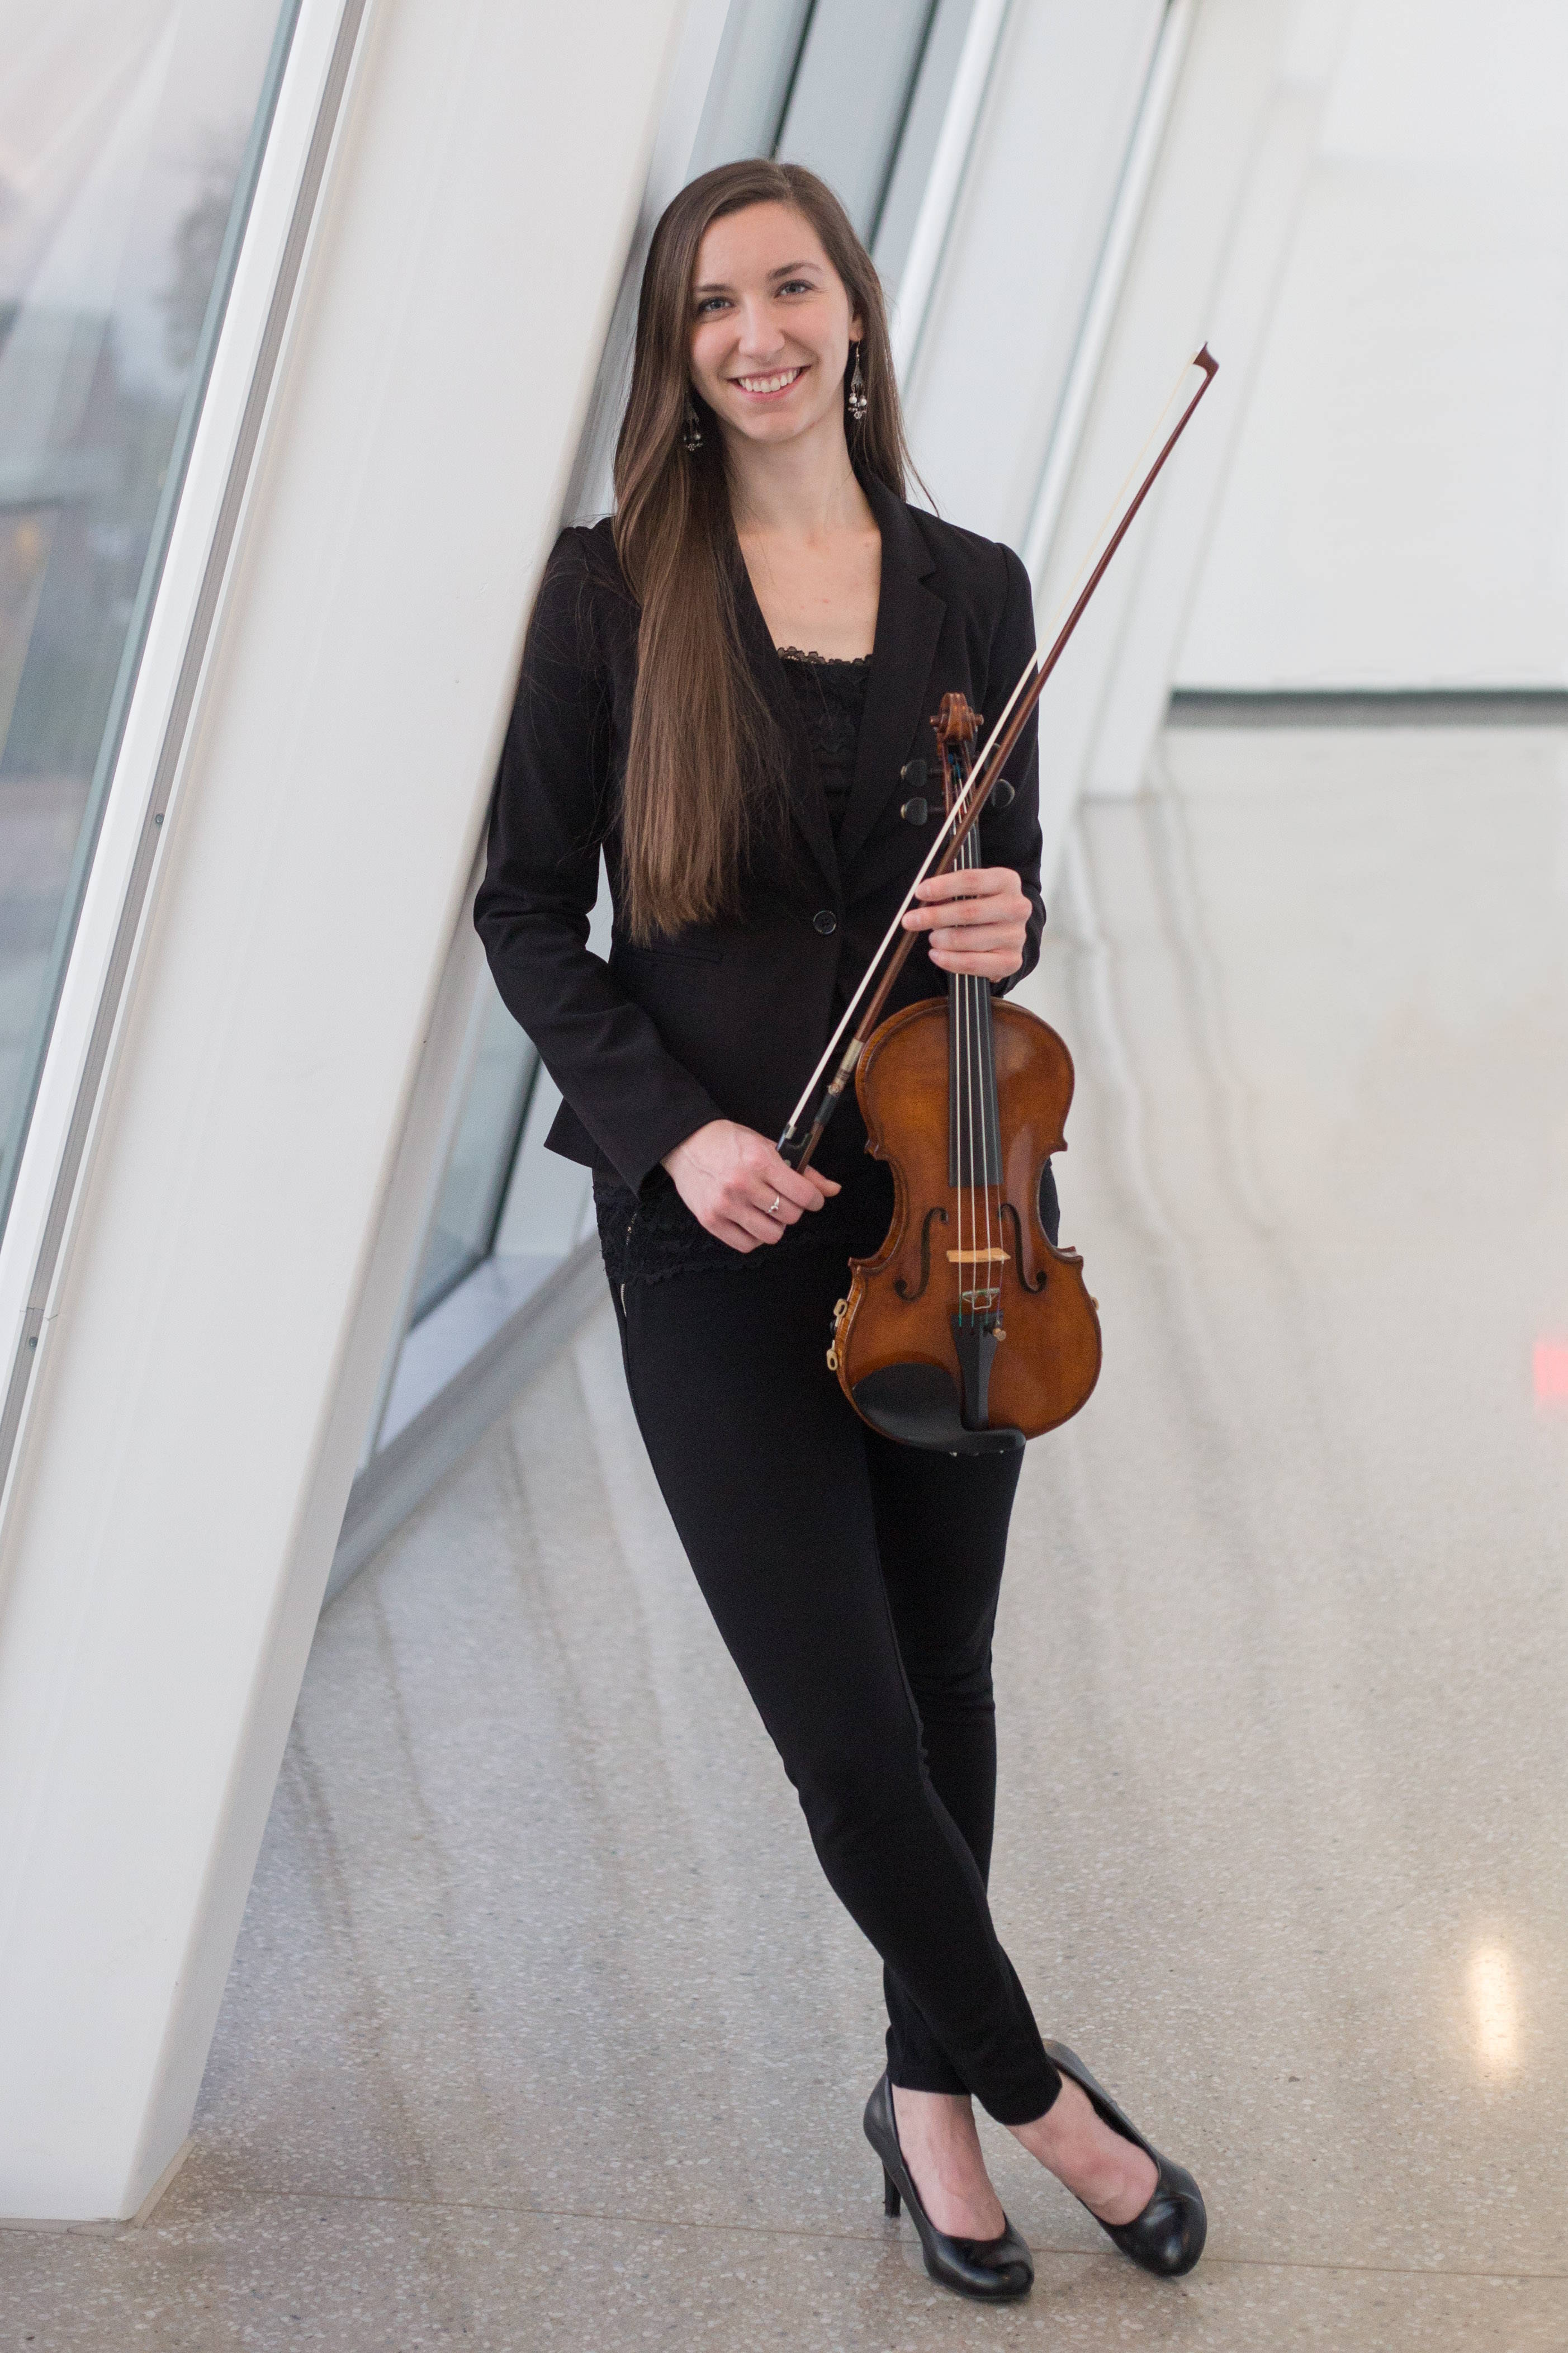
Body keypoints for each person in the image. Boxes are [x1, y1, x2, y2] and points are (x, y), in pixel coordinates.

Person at [476, 158, 1204, 2301]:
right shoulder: (609, 594)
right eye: (713, 304)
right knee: (844, 1722)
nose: (758, 331)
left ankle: (921, 2107)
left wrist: (1013, 915)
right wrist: (675, 1139)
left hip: (950, 1194)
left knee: (949, 1673)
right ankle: (1041, 2099)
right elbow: (529, 911)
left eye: (791, 287)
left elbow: (1010, 894)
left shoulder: (977, 589)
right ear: (676, 353)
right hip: (708, 1225)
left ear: (855, 316)